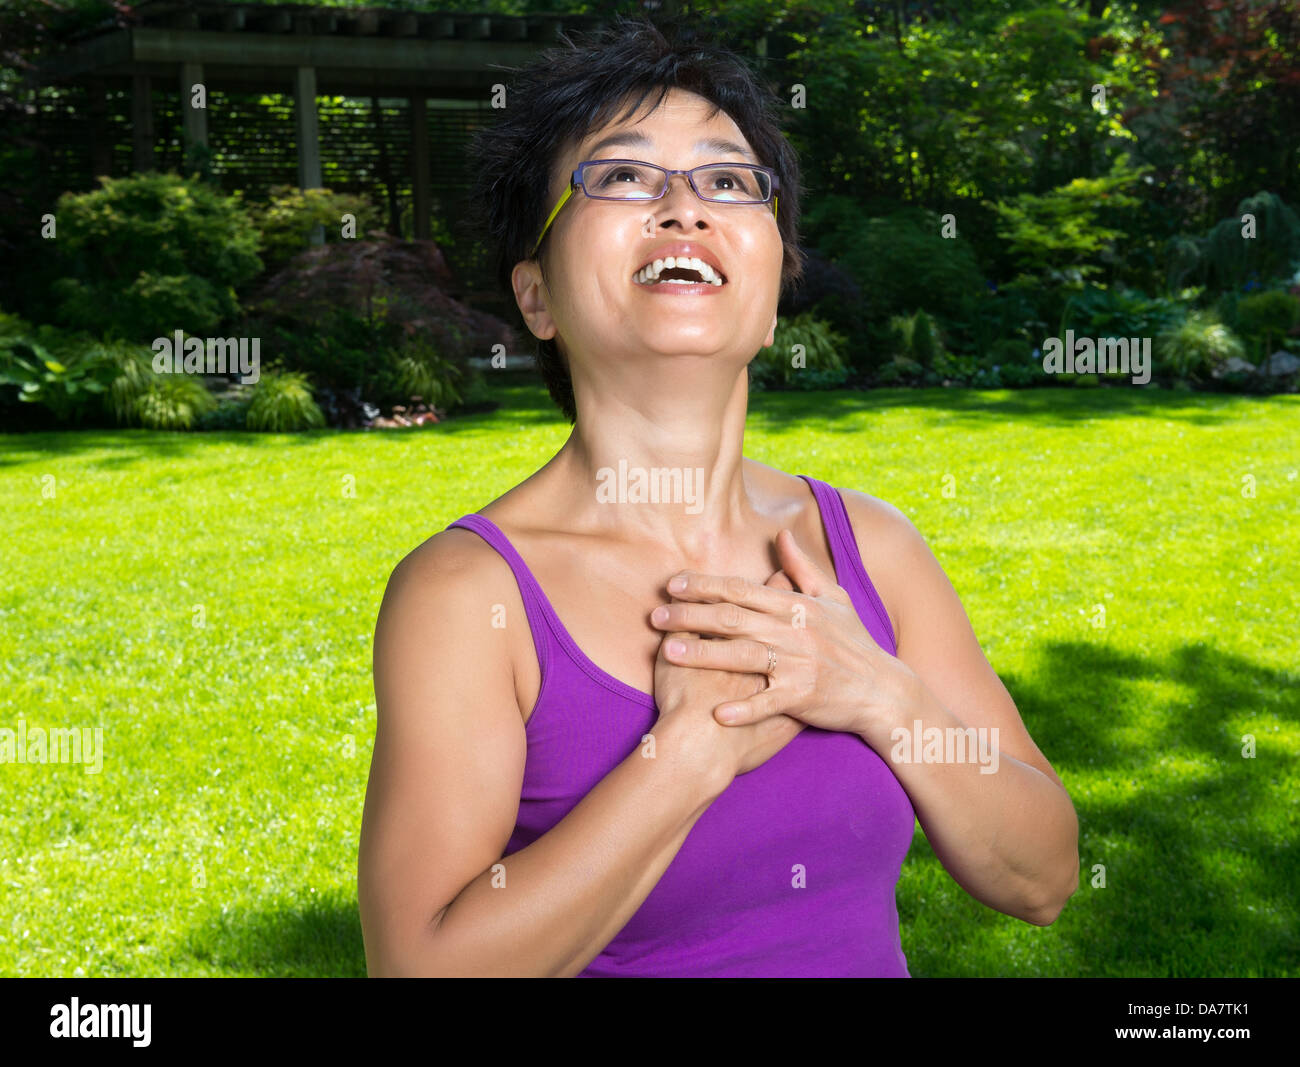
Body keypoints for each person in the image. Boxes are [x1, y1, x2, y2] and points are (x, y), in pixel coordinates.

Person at [357, 16, 1078, 977]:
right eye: (620, 175)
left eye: (728, 180)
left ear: (772, 287)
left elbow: (1044, 876)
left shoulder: (871, 546)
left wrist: (879, 693)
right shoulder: (467, 595)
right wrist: (691, 751)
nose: (684, 207)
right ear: (535, 297)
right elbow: (422, 967)